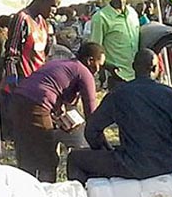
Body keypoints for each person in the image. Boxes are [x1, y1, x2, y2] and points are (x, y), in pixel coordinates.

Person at [66, 49, 172, 184]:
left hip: (132, 165)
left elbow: (91, 130)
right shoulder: (170, 94)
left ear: (133, 66)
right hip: (168, 163)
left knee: (74, 159)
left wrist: (105, 149)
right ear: (155, 68)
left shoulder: (119, 94)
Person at [11, 42, 105, 182]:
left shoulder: (62, 63)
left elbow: (51, 87)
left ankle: (24, 193)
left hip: (17, 100)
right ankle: (48, 195)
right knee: (47, 159)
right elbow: (92, 113)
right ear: (90, 60)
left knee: (26, 154)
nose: (99, 70)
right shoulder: (84, 72)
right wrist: (102, 145)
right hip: (37, 104)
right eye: (100, 64)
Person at [4, 0, 60, 89]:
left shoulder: (44, 23)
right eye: (53, 6)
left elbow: (45, 56)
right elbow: (11, 55)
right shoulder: (22, 19)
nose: (55, 11)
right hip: (21, 85)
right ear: (42, 0)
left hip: (36, 84)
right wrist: (13, 83)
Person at [91, 0, 141, 89]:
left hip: (137, 76)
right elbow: (95, 50)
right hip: (117, 78)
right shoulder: (100, 17)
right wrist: (109, 68)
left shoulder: (133, 14)